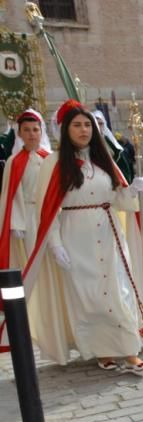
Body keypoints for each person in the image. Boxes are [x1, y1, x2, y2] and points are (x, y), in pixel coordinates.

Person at [20, 100, 143, 371]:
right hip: (76, 236)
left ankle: (129, 350)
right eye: (77, 125)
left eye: (88, 125)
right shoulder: (53, 163)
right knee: (88, 296)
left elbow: (120, 200)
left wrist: (132, 190)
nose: (84, 130)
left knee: (118, 291)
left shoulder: (104, 159)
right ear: (65, 130)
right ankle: (102, 352)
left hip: (109, 232)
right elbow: (48, 210)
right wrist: (55, 245)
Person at [0, 109, 50, 352]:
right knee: (34, 264)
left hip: (49, 217)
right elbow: (13, 196)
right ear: (20, 134)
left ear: (41, 132)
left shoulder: (48, 157)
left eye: (35, 130)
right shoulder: (14, 162)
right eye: (27, 131)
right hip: (29, 219)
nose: (32, 135)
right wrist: (17, 224)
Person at [92, 109, 133, 183]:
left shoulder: (109, 142)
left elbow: (121, 164)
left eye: (101, 124)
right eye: (96, 124)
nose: (98, 127)